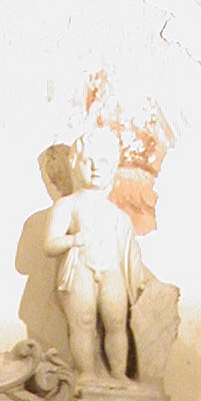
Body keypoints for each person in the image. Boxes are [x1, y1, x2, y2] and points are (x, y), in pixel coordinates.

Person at [42, 127, 143, 381]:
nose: (96, 168)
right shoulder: (68, 205)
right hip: (80, 268)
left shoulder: (117, 215)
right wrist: (74, 239)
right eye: (89, 161)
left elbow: (129, 251)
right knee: (83, 323)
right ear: (76, 165)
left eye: (104, 162)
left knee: (116, 322)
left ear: (113, 168)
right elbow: (50, 244)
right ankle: (86, 373)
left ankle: (118, 374)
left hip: (111, 269)